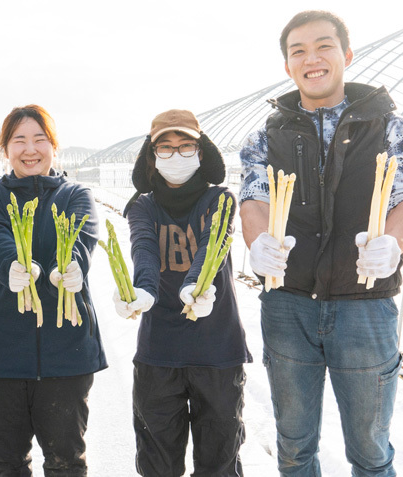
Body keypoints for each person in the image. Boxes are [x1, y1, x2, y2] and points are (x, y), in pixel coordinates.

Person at [238, 10, 403, 476]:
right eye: (297, 51)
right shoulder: (266, 133)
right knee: (294, 447)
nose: (311, 58)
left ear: (346, 53)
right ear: (287, 66)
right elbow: (254, 198)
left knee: (369, 449)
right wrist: (258, 243)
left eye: (323, 46)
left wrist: (394, 246)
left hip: (364, 306)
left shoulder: (388, 127)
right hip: (288, 305)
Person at [0, 104, 106, 477]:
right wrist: (13, 265)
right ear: (5, 149)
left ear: (54, 146)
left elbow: (82, 239)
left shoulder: (76, 194)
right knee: (6, 463)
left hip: (67, 355)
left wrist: (68, 268)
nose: (30, 149)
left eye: (39, 140)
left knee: (66, 463)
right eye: (19, 140)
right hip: (0, 355)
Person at [115, 109, 252, 476]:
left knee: (219, 464)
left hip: (217, 352)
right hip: (159, 353)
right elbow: (143, 248)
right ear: (152, 156)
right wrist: (142, 290)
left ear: (201, 152)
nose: (176, 155)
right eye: (166, 148)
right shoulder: (142, 206)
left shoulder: (220, 200)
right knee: (157, 464)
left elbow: (213, 243)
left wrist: (196, 284)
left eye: (185, 146)